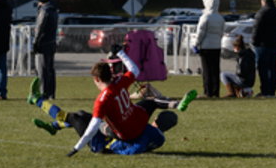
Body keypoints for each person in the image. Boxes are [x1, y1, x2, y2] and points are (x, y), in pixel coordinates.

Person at [27, 48, 197, 156]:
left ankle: (36, 100)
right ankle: (53, 126)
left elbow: (92, 129)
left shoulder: (103, 100)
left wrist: (76, 148)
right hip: (133, 122)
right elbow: (134, 70)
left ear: (97, 79)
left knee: (76, 117)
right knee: (151, 101)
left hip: (106, 141)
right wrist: (121, 53)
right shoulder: (120, 83)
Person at [251, 0, 276, 97]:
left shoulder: (262, 13)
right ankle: (272, 91)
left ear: (264, 1)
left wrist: (254, 42)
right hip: (274, 45)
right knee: (273, 69)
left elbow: (256, 29)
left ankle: (265, 91)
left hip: (262, 45)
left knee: (263, 69)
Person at [193, 0, 225, 98]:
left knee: (207, 70)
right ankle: (216, 92)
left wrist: (196, 44)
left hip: (206, 47)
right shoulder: (220, 18)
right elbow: (221, 32)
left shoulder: (205, 17)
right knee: (215, 70)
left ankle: (208, 92)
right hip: (217, 46)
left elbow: (200, 33)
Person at [33, 0, 58, 100]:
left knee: (41, 69)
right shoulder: (54, 10)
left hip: (43, 43)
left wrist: (36, 42)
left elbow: (39, 27)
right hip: (52, 42)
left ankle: (44, 92)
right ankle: (51, 92)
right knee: (50, 69)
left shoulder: (44, 11)